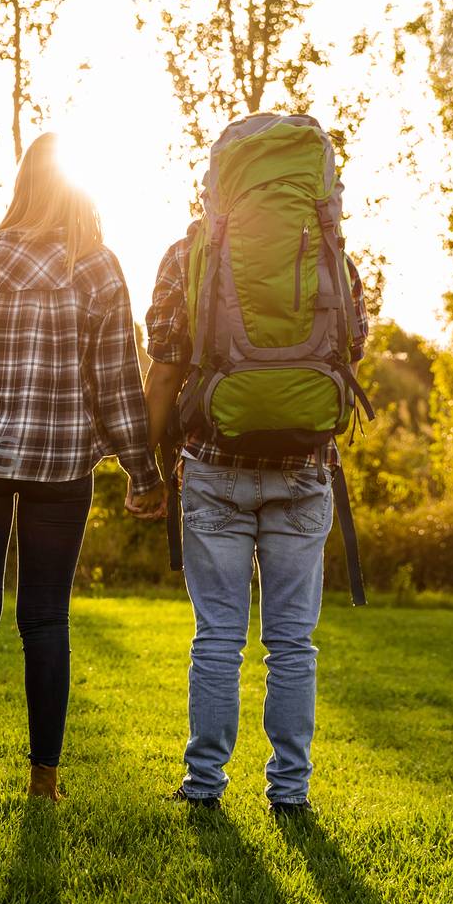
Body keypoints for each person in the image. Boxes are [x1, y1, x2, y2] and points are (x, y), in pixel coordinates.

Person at [0, 132, 165, 802]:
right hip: (61, 467)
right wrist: (144, 472)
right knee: (46, 619)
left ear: (25, 184)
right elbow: (118, 386)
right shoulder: (99, 267)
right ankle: (43, 783)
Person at [142, 193, 370, 819]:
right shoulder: (331, 253)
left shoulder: (190, 253)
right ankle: (291, 792)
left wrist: (143, 472)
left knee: (217, 638)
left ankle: (204, 786)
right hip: (303, 472)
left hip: (213, 467)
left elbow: (164, 372)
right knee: (292, 642)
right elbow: (350, 352)